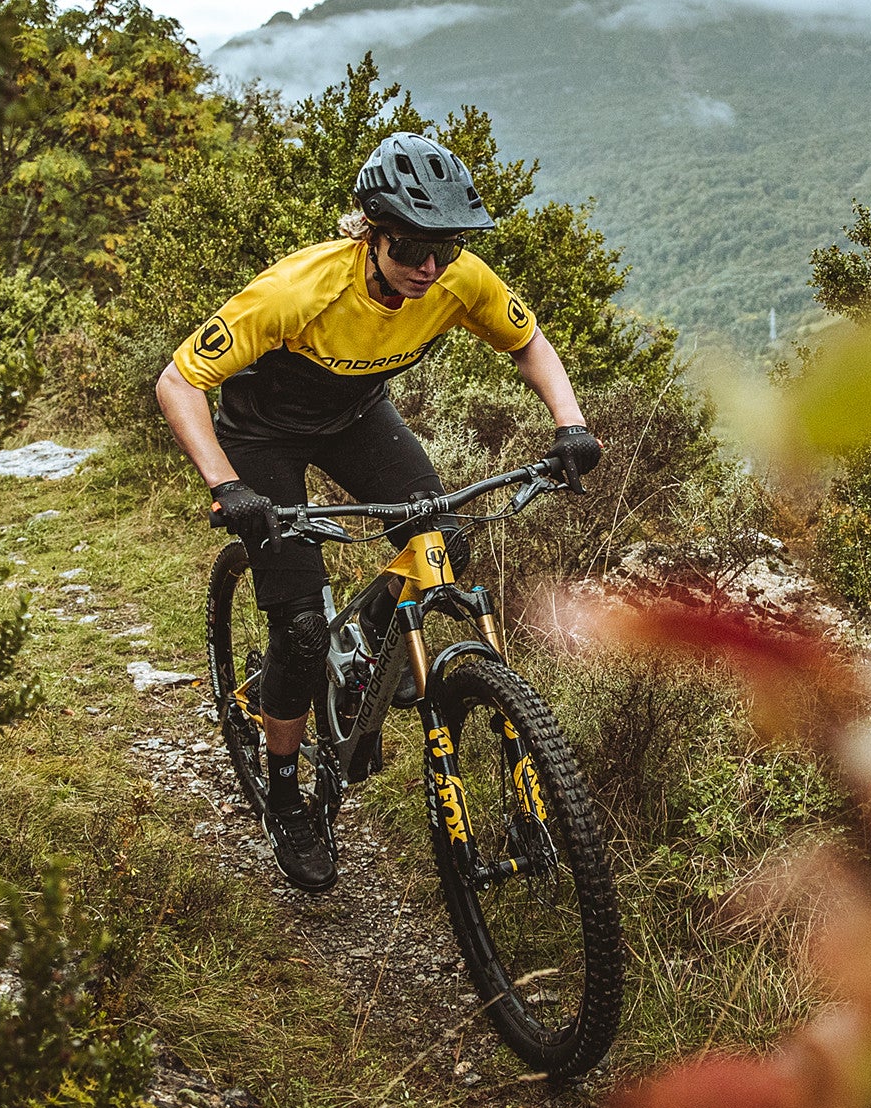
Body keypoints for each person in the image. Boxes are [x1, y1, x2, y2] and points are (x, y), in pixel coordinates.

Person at [155, 132, 603, 892]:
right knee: (297, 629)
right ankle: (289, 794)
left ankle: (370, 650)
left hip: (357, 417)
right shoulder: (301, 288)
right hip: (262, 432)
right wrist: (226, 483)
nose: (429, 267)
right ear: (372, 230)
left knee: (445, 545)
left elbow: (529, 341)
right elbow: (176, 380)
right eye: (411, 249)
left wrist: (570, 423)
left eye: (445, 248)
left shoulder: (459, 279)